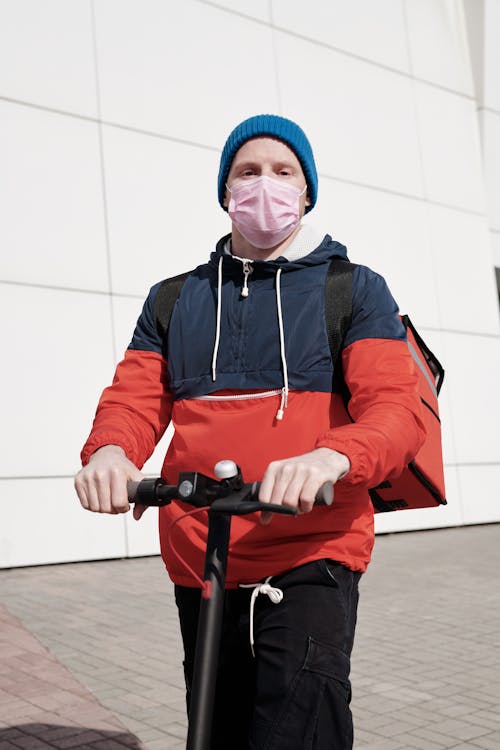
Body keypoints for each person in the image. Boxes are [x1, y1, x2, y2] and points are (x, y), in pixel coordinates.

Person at [75, 114, 425, 749]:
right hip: (201, 551)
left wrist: (331, 457)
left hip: (312, 545)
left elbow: (396, 410)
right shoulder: (174, 299)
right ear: (225, 192)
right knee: (215, 726)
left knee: (299, 728)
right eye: (248, 171)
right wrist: (110, 453)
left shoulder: (353, 289)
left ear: (307, 191)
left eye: (283, 171)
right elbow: (134, 399)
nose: (265, 185)